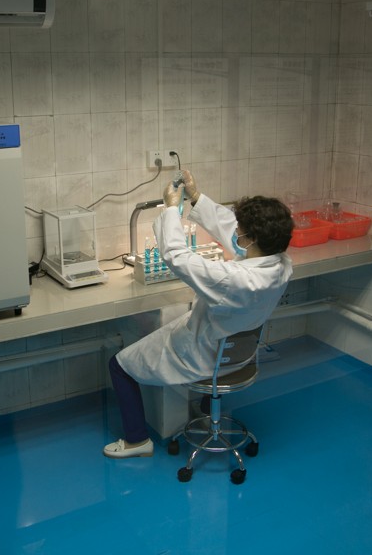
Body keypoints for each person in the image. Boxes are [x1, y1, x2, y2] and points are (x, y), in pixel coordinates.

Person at [104, 170, 295, 458]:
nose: (235, 233)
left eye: (241, 231)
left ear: (252, 238)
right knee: (205, 332)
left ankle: (137, 441)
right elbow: (234, 233)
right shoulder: (282, 264)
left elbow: (177, 256)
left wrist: (171, 209)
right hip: (239, 355)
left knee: (119, 365)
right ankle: (208, 412)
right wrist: (195, 197)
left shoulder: (233, 279)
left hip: (202, 356)